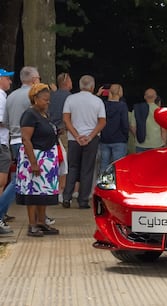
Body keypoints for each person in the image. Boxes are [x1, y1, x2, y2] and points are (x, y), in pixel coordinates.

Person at [16, 83, 60, 237]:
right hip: (34, 157)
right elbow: (26, 139)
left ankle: (42, 222)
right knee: (32, 191)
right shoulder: (29, 114)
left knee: (43, 193)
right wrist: (33, 163)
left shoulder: (44, 115)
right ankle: (32, 224)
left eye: (48, 100)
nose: (47, 102)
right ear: (35, 99)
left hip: (47, 158)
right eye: (44, 100)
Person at [62, 75, 106, 209]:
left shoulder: (70, 99)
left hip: (74, 139)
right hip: (91, 139)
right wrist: (90, 136)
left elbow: (66, 119)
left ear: (80, 85)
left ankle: (67, 197)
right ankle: (83, 200)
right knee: (87, 169)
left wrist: (76, 135)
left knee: (72, 167)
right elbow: (102, 121)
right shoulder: (98, 101)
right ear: (92, 87)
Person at [49, 72, 73, 202]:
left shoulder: (51, 96)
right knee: (64, 162)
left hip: (50, 132)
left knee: (54, 161)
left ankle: (52, 188)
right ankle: (61, 191)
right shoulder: (69, 97)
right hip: (64, 132)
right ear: (66, 82)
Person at [99, 84, 129, 173]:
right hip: (119, 139)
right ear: (120, 92)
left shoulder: (103, 105)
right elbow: (125, 123)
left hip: (104, 139)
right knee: (118, 166)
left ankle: (102, 184)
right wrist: (125, 136)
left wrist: (98, 94)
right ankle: (117, 185)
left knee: (104, 165)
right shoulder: (122, 106)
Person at [130, 88, 167, 153]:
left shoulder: (137, 110)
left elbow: (132, 127)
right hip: (156, 144)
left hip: (140, 144)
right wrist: (164, 144)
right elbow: (163, 130)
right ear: (155, 97)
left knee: (142, 163)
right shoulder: (161, 111)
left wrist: (138, 136)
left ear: (145, 97)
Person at [0, 68, 14, 234]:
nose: (10, 82)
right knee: (2, 182)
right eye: (7, 78)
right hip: (1, 143)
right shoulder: (2, 98)